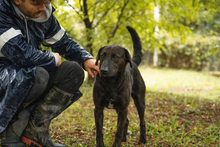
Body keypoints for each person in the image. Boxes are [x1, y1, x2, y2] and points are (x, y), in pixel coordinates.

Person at [0, 0, 100, 146]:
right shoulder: (2, 12)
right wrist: (51, 58)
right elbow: (21, 54)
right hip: (3, 77)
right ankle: (9, 137)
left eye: (46, 2)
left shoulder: (42, 13)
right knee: (37, 74)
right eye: (36, 3)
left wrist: (86, 58)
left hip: (27, 74)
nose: (43, 7)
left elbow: (63, 41)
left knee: (72, 71)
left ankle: (34, 132)